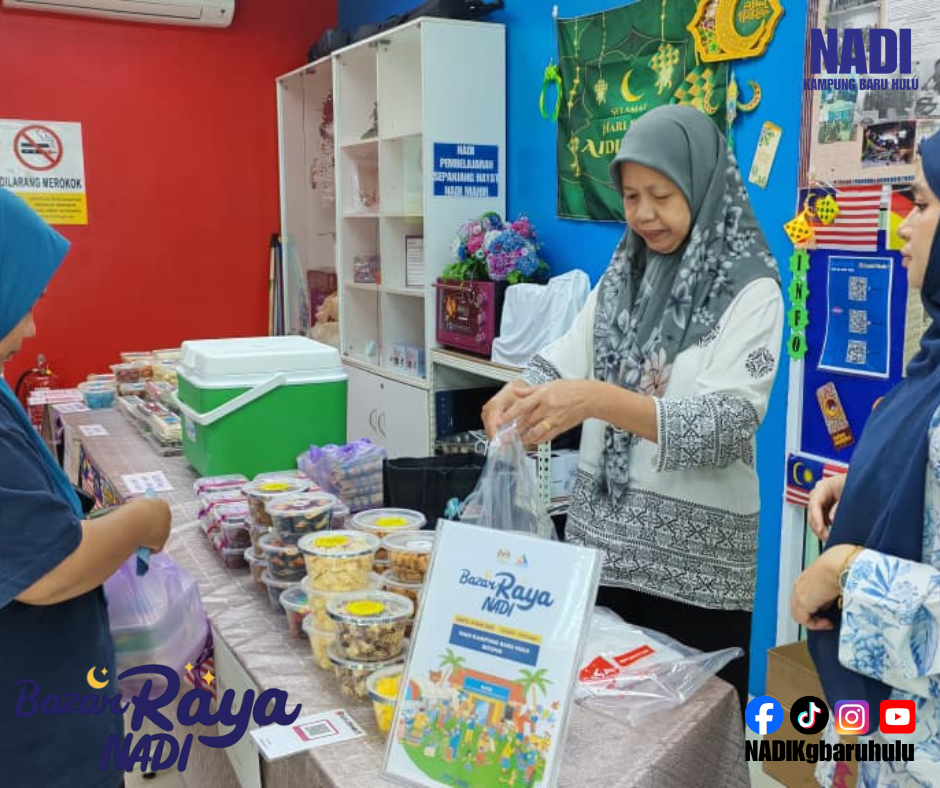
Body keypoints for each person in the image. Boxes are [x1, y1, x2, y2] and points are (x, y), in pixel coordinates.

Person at [482, 105, 783, 714]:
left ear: (703, 185)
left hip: (696, 579)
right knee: (602, 732)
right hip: (604, 555)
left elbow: (726, 425)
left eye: (662, 196)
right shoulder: (624, 274)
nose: (644, 214)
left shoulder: (752, 291)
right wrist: (521, 391)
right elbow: (569, 354)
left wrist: (602, 400)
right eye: (631, 196)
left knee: (689, 735)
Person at [0, 188, 172, 788]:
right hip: (34, 739)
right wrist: (142, 520)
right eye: (23, 304)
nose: (31, 327)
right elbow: (48, 572)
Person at [791, 131, 940, 787]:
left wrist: (845, 567)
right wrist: (863, 486)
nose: (904, 226)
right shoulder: (933, 360)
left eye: (923, 205)